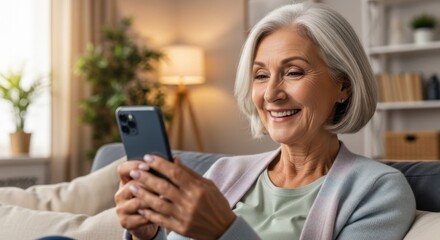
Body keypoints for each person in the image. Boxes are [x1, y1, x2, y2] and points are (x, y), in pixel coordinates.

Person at [115, 2, 416, 240]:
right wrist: (148, 235)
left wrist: (224, 230)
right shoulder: (224, 173)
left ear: (344, 86)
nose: (271, 94)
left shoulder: (378, 190)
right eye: (260, 75)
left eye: (294, 72)